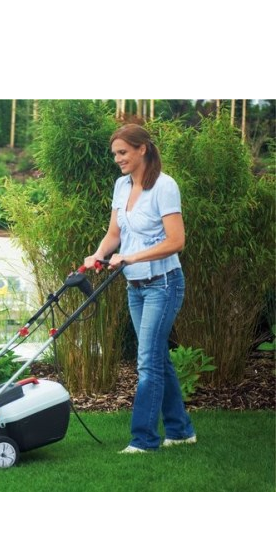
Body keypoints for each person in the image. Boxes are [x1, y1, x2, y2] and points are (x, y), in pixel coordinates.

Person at [83, 123, 196, 453]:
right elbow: (114, 233)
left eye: (123, 152)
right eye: (115, 154)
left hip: (164, 283)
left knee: (147, 362)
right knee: (157, 357)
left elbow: (176, 241)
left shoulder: (164, 186)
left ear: (142, 149)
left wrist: (130, 257)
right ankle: (180, 430)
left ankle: (144, 439)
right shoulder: (121, 185)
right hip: (135, 286)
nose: (117, 159)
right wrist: (98, 254)